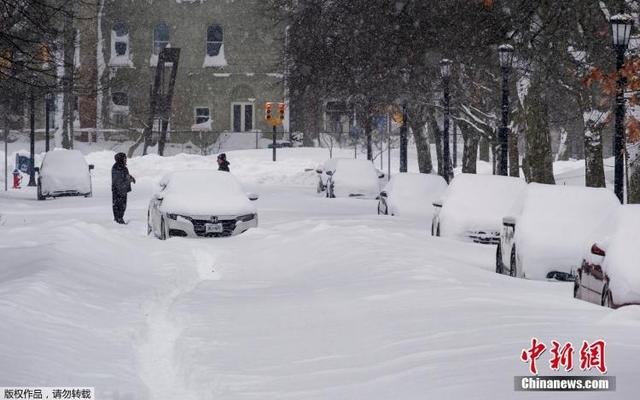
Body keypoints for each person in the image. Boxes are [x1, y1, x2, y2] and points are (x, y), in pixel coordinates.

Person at [111, 152, 136, 224]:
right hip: (118, 191)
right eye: (124, 158)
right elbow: (119, 180)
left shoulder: (122, 167)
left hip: (123, 191)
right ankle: (118, 219)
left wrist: (131, 178)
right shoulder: (117, 168)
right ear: (121, 159)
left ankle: (120, 218)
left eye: (126, 158)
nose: (126, 160)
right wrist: (128, 180)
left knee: (123, 206)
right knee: (118, 206)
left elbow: (125, 176)